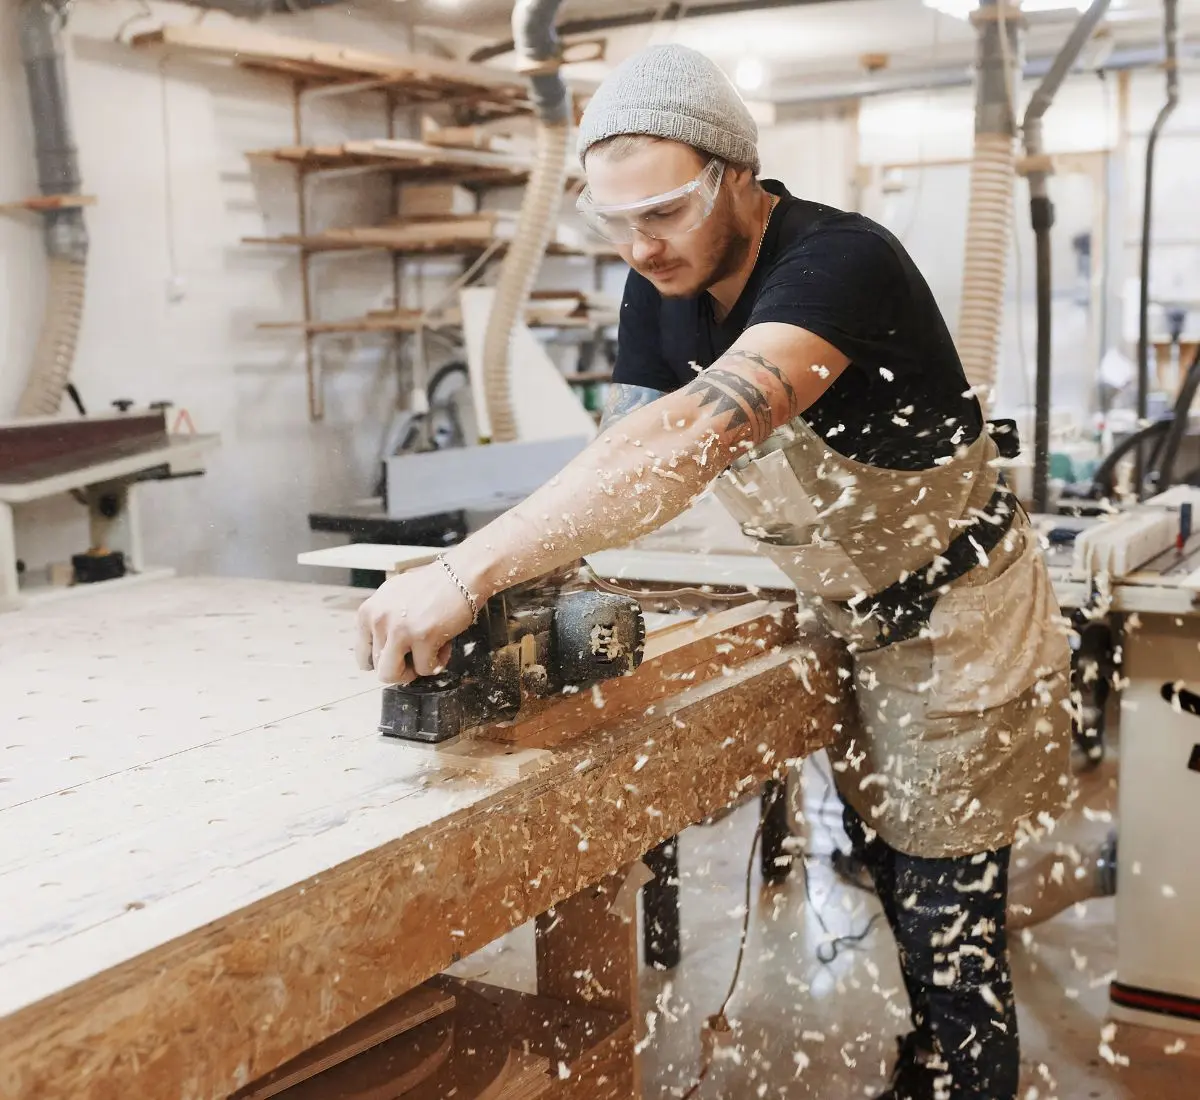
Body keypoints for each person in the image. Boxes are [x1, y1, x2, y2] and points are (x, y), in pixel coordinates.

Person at [356, 43, 1071, 1100]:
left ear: (739, 173)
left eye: (666, 213)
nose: (642, 248)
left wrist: (465, 570)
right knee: (882, 861)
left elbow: (685, 439)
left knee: (948, 914)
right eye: (617, 224)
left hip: (958, 617)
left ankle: (967, 1071)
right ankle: (932, 1055)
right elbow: (621, 453)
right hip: (843, 611)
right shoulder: (662, 282)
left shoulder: (838, 264)